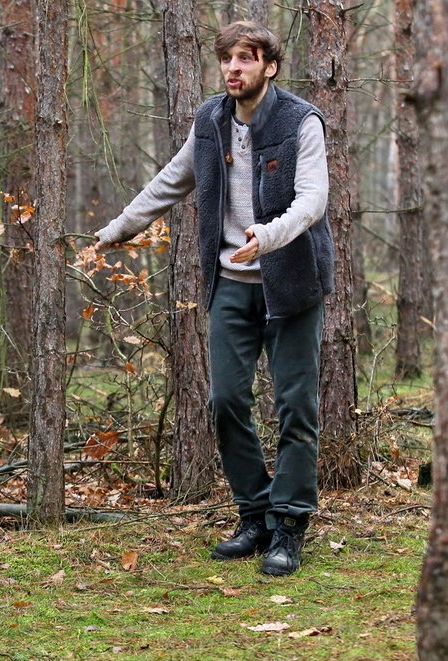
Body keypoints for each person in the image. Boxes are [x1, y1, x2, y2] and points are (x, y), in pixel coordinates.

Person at [96, 21, 333, 577]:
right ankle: (254, 516)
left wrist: (268, 236)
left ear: (269, 66)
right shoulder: (211, 120)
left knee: (297, 408)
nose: (234, 68)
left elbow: (314, 199)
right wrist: (118, 229)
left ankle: (290, 525)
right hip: (230, 286)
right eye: (228, 58)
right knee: (227, 402)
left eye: (247, 59)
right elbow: (172, 180)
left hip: (292, 285)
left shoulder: (301, 121)